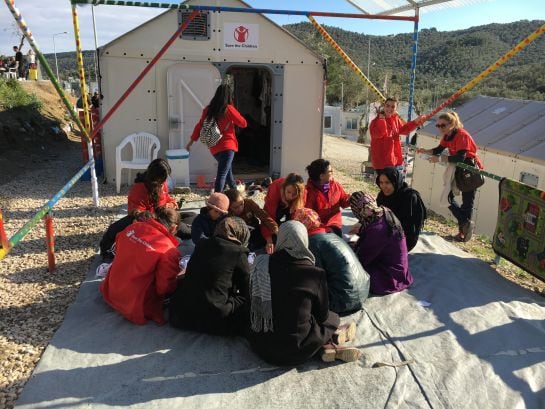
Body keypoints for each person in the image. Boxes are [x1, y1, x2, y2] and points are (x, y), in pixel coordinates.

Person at [247, 221, 362, 365]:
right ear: (304, 239)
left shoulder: (261, 263)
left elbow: (250, 297)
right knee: (332, 318)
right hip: (295, 349)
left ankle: (327, 344)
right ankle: (328, 341)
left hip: (260, 343)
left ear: (280, 238)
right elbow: (322, 315)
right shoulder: (314, 273)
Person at [99, 207, 181, 325]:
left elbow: (118, 250)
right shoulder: (169, 250)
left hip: (112, 290)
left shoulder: (133, 227)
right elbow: (165, 287)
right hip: (136, 305)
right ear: (174, 228)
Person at [169, 217, 251, 335]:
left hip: (181, 316)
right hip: (216, 321)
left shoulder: (202, 244)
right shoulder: (238, 252)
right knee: (246, 298)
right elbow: (246, 288)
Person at [417, 112, 483, 242]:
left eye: (443, 125)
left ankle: (463, 233)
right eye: (438, 125)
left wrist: (440, 158)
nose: (440, 128)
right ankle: (465, 224)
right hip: (458, 168)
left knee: (467, 202)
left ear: (451, 124)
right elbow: (438, 149)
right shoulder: (448, 136)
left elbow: (461, 156)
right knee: (448, 197)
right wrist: (426, 151)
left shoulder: (461, 135)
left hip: (469, 168)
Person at [292, 208, 370, 315]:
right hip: (364, 290)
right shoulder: (330, 233)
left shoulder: (313, 242)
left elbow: (316, 276)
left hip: (343, 300)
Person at [186, 84, 247, 193]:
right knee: (222, 173)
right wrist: (232, 118)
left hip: (214, 148)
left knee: (227, 172)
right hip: (227, 146)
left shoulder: (208, 110)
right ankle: (218, 198)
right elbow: (243, 123)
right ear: (229, 96)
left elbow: (199, 126)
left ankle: (235, 192)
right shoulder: (228, 109)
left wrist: (190, 143)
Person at [350, 191, 413, 296]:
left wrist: (354, 250)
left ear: (358, 210)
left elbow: (363, 258)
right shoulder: (384, 211)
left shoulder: (377, 228)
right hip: (400, 270)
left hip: (390, 279)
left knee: (352, 269)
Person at [376, 167, 427, 251]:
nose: (383, 186)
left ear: (395, 182)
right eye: (381, 182)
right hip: (388, 231)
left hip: (404, 239)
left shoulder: (409, 197)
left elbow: (410, 228)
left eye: (387, 182)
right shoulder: (382, 196)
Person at [369, 97, 422, 172]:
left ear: (396, 109)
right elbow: (380, 134)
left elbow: (405, 130)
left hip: (394, 161)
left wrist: (416, 122)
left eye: (393, 107)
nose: (390, 109)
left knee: (395, 183)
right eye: (387, 106)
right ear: (384, 106)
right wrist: (382, 121)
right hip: (381, 163)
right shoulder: (375, 122)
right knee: (386, 183)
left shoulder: (395, 120)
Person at [304, 158, 350, 237]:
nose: (332, 173)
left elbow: (343, 202)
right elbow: (308, 216)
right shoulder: (308, 192)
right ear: (321, 176)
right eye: (330, 171)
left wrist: (352, 199)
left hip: (335, 225)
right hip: (318, 229)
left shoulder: (336, 185)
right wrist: (321, 227)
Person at [261, 173, 306, 254]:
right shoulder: (275, 188)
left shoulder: (303, 193)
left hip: (292, 207)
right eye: (288, 192)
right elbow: (267, 215)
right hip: (278, 205)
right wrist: (269, 241)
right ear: (283, 187)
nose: (291, 196)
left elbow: (298, 219)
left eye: (294, 194)